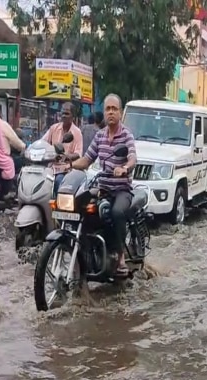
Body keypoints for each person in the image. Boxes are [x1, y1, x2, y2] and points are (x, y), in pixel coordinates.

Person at [71, 94, 137, 276]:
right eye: (107, 109)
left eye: (114, 109)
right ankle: (86, 255)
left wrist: (124, 167)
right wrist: (67, 164)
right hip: (103, 189)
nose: (110, 113)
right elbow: (86, 160)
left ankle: (120, 257)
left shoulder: (126, 135)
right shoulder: (99, 136)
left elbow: (132, 158)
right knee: (84, 210)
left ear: (120, 112)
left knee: (116, 213)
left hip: (122, 190)